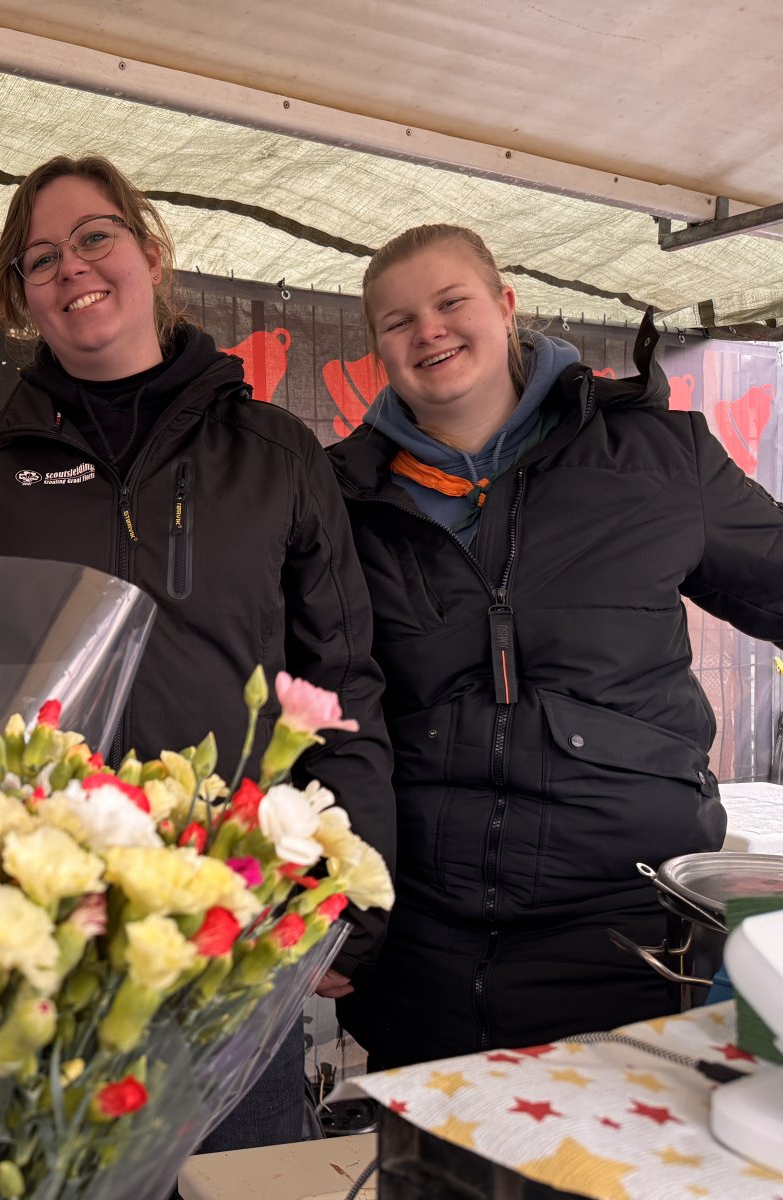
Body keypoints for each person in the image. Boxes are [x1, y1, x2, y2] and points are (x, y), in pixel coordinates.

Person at [0, 154, 394, 1149]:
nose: (71, 268)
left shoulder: (273, 453)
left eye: (94, 236)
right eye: (38, 258)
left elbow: (342, 685)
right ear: (20, 297)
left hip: (232, 917)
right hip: (48, 929)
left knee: (243, 1173)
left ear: (148, 250)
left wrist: (345, 900)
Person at [326, 223, 783, 1068]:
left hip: (630, 944)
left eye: (451, 301)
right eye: (398, 321)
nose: (428, 329)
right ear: (378, 351)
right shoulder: (338, 500)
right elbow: (313, 706)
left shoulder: (658, 456)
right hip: (426, 957)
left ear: (505, 306)